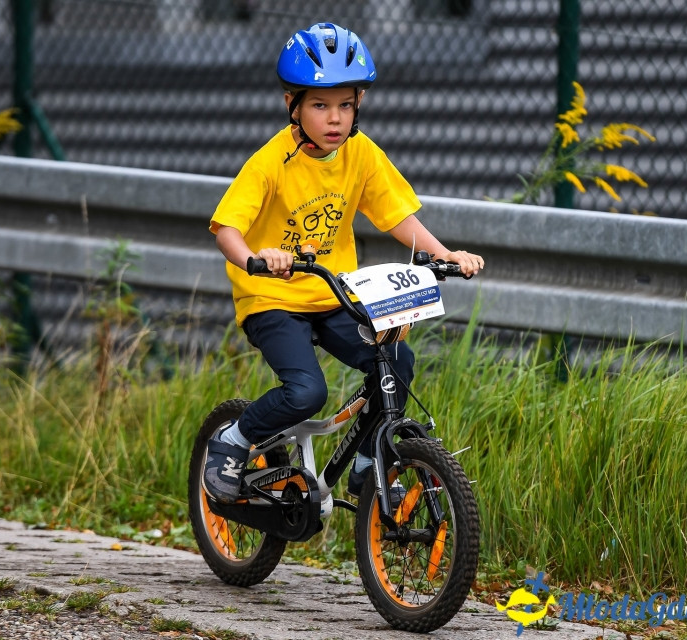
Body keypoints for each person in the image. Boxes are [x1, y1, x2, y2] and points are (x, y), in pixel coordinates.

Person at [203, 22, 484, 504]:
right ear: (292, 104)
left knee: (396, 360)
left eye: (345, 105)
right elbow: (226, 228)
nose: (334, 118)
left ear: (359, 104)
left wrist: (445, 255)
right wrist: (255, 258)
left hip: (332, 293)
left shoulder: (360, 153)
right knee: (306, 392)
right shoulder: (270, 162)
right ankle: (234, 438)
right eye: (319, 105)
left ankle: (370, 461)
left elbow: (397, 216)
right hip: (272, 298)